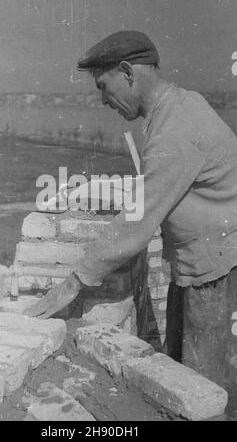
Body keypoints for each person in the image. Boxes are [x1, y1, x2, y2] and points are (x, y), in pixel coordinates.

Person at [28, 30, 237, 390]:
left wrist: (77, 278)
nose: (104, 101)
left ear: (127, 72)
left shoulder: (174, 130)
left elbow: (137, 221)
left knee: (201, 387)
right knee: (182, 374)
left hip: (212, 274)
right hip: (200, 265)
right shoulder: (180, 104)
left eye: (103, 87)